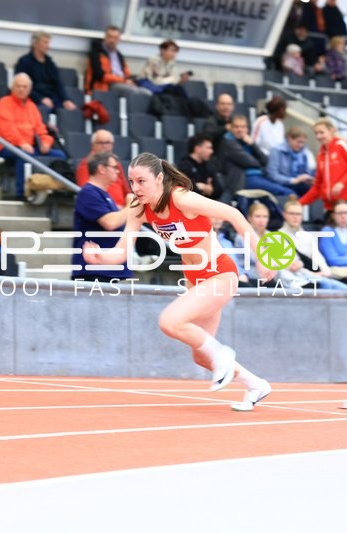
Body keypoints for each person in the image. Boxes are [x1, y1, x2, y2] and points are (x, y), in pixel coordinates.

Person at [82, 152, 273, 412]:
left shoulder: (182, 198)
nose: (135, 188)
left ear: (159, 178)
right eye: (131, 182)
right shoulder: (139, 209)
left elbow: (235, 215)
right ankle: (256, 384)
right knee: (202, 356)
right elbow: (122, 252)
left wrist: (261, 256)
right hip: (195, 280)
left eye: (142, 181)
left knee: (170, 321)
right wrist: (100, 257)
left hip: (219, 273)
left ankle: (223, 355)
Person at [0, 73, 66, 198]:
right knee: (24, 155)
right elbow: (7, 130)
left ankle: (54, 188)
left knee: (60, 155)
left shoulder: (32, 107)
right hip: (7, 147)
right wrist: (22, 143)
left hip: (29, 147)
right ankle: (21, 193)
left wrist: (45, 143)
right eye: (18, 86)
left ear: (29, 89)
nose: (21, 89)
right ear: (12, 87)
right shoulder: (4, 103)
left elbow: (40, 129)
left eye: (24, 87)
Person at [71, 151, 133, 281]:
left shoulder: (103, 194)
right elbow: (110, 223)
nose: (118, 172)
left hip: (107, 269)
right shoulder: (88, 193)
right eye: (114, 167)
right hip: (94, 271)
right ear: (101, 169)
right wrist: (131, 205)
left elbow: (118, 219)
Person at [299, 118, 347, 214]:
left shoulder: (341, 145)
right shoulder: (321, 155)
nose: (318, 136)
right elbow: (317, 185)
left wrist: (342, 183)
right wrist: (299, 203)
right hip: (330, 207)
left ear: (331, 130)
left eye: (321, 132)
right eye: (316, 133)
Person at [277, 199, 347, 290]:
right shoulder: (278, 237)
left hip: (313, 276)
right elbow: (293, 266)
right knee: (327, 285)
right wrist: (315, 274)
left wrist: (325, 271)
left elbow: (318, 257)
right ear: (284, 215)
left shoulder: (307, 236)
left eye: (298, 214)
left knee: (346, 289)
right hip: (297, 279)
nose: (295, 217)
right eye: (292, 214)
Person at [15, 31, 77, 112]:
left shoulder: (50, 63)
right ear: (35, 44)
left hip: (52, 98)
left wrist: (66, 100)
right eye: (45, 42)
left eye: (48, 43)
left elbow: (58, 84)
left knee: (71, 110)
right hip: (33, 99)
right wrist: (40, 98)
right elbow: (22, 87)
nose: (48, 46)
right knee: (43, 108)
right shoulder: (24, 62)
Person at [84, 26, 151, 96]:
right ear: (105, 37)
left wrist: (131, 81)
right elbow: (101, 76)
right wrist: (123, 80)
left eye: (115, 38)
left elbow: (126, 73)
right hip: (106, 85)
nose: (112, 40)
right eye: (110, 37)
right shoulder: (96, 53)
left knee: (146, 93)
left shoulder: (119, 55)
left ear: (119, 39)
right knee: (133, 92)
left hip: (122, 82)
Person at [74, 129, 131, 208]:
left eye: (107, 143)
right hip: (103, 209)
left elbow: (126, 190)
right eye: (101, 143)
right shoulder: (86, 163)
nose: (105, 146)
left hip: (122, 209)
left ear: (112, 145)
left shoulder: (115, 163)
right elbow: (87, 193)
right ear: (92, 145)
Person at [266, 126, 315, 198]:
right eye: (298, 142)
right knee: (292, 194)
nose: (301, 145)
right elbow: (272, 175)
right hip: (281, 183)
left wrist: (308, 178)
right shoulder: (276, 150)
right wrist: (292, 180)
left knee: (316, 191)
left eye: (303, 143)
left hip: (298, 183)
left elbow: (307, 171)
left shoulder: (303, 152)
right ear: (289, 138)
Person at [176, 134, 224, 201]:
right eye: (208, 148)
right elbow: (186, 188)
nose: (211, 151)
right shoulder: (183, 165)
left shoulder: (209, 166)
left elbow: (219, 190)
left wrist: (205, 188)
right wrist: (202, 188)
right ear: (197, 149)